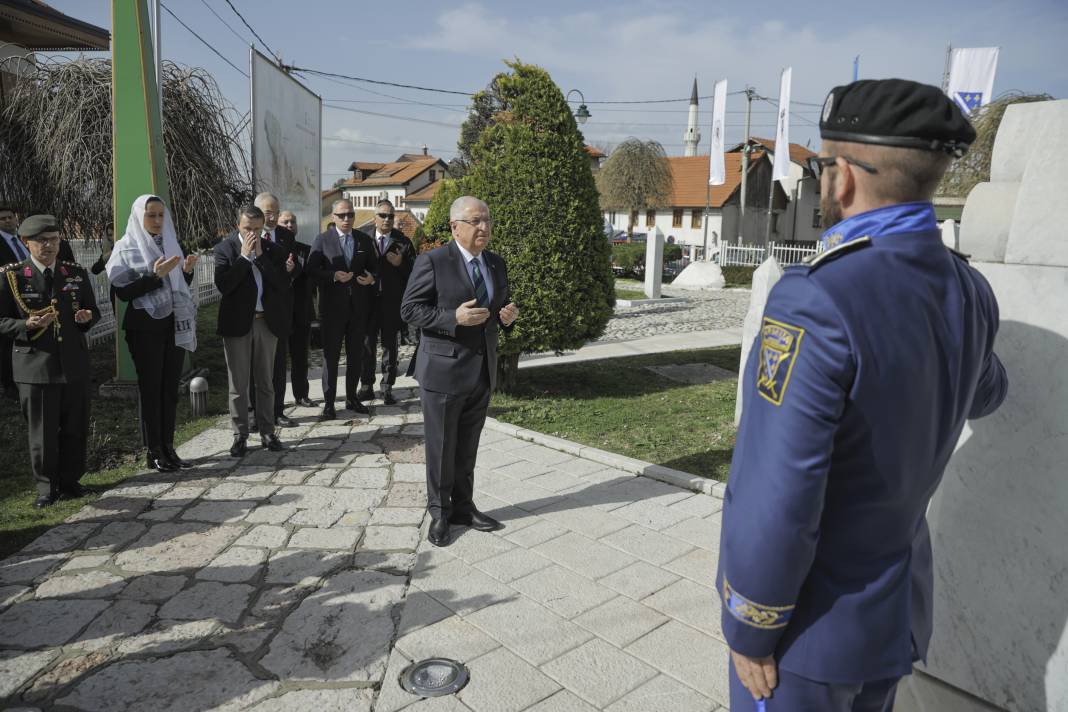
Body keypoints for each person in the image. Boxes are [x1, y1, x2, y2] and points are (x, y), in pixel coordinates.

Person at [716, 78, 1008, 711]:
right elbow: (986, 393)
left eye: (821, 165)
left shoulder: (816, 297)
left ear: (843, 177)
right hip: (893, 617)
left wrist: (751, 625)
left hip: (807, 633)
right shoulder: (969, 289)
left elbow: (778, 490)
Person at [400, 196, 519, 547]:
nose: (484, 227)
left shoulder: (495, 264)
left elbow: (499, 309)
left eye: (487, 220)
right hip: (443, 371)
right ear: (455, 227)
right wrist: (453, 318)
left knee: (467, 446)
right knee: (441, 447)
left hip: (481, 371)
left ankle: (465, 507)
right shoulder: (433, 261)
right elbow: (409, 310)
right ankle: (440, 513)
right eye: (475, 221)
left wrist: (507, 318)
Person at [0, 215, 100, 507]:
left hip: (73, 363)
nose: (49, 246)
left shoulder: (75, 273)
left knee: (75, 427)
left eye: (54, 239)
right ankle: (47, 488)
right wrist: (25, 326)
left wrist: (87, 318)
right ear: (25, 242)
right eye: (42, 241)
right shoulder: (12, 276)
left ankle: (71, 481)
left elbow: (92, 310)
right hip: (36, 366)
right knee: (42, 433)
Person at [106, 195, 199, 472]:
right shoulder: (126, 248)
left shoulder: (171, 243)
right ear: (139, 217)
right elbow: (123, 292)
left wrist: (186, 271)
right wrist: (154, 277)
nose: (158, 221)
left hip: (173, 323)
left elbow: (178, 283)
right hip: (144, 327)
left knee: (170, 389)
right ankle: (154, 451)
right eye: (151, 216)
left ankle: (169, 448)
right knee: (152, 389)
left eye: (161, 215)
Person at [213, 204, 293, 456]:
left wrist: (260, 257)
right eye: (248, 228)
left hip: (266, 323)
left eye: (257, 229)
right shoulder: (225, 249)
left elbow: (281, 284)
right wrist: (245, 258)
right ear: (238, 225)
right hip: (237, 324)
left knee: (265, 381)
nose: (253, 234)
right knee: (238, 383)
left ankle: (268, 431)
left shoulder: (272, 250)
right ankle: (240, 434)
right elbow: (224, 285)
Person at [307, 198, 376, 421]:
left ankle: (352, 398)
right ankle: (329, 403)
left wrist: (372, 278)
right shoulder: (323, 240)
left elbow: (376, 268)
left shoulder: (364, 239)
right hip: (332, 309)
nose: (347, 219)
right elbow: (311, 269)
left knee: (356, 355)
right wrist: (333, 276)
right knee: (331, 357)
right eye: (342, 215)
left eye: (350, 215)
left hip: (358, 308)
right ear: (333, 217)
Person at [358, 199, 414, 406]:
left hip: (391, 302)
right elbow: (356, 267)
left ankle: (387, 387)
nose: (387, 219)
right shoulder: (363, 239)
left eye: (391, 215)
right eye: (383, 215)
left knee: (390, 346)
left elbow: (414, 274)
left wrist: (400, 264)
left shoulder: (403, 242)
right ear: (374, 218)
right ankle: (366, 385)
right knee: (367, 345)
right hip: (368, 301)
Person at [252, 192, 300, 428]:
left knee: (279, 363)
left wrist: (291, 269)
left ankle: (278, 411)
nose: (272, 217)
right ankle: (256, 413)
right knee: (254, 366)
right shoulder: (248, 236)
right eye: (268, 212)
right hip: (253, 310)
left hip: (279, 308)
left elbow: (297, 268)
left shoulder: (285, 236)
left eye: (275, 212)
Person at [279, 209, 316, 407]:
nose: (289, 225)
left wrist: (297, 270)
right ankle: (278, 400)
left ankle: (301, 395)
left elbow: (310, 279)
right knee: (278, 360)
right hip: (280, 312)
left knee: (301, 356)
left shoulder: (305, 250)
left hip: (301, 310)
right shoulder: (271, 248)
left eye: (292, 221)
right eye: (285, 222)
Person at [0, 204, 28, 400]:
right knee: (7, 341)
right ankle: (9, 385)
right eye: (2, 219)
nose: (8, 221)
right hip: (5, 297)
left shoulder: (22, 240)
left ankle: (24, 379)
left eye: (10, 217)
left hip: (27, 297)